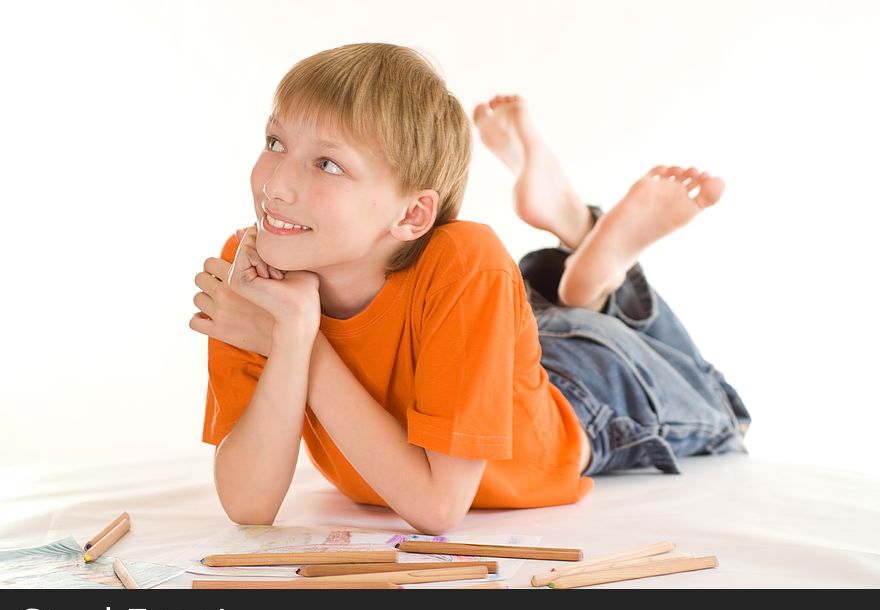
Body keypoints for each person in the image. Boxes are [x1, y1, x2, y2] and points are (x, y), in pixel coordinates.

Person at [189, 43, 750, 535]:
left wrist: (299, 341)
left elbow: (437, 507)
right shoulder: (256, 268)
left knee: (722, 408)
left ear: (412, 214)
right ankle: (584, 248)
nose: (276, 184)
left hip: (588, 394)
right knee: (555, 309)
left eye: (328, 164)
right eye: (275, 140)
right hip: (491, 346)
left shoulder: (467, 259)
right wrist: (288, 334)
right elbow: (248, 504)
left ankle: (592, 255)